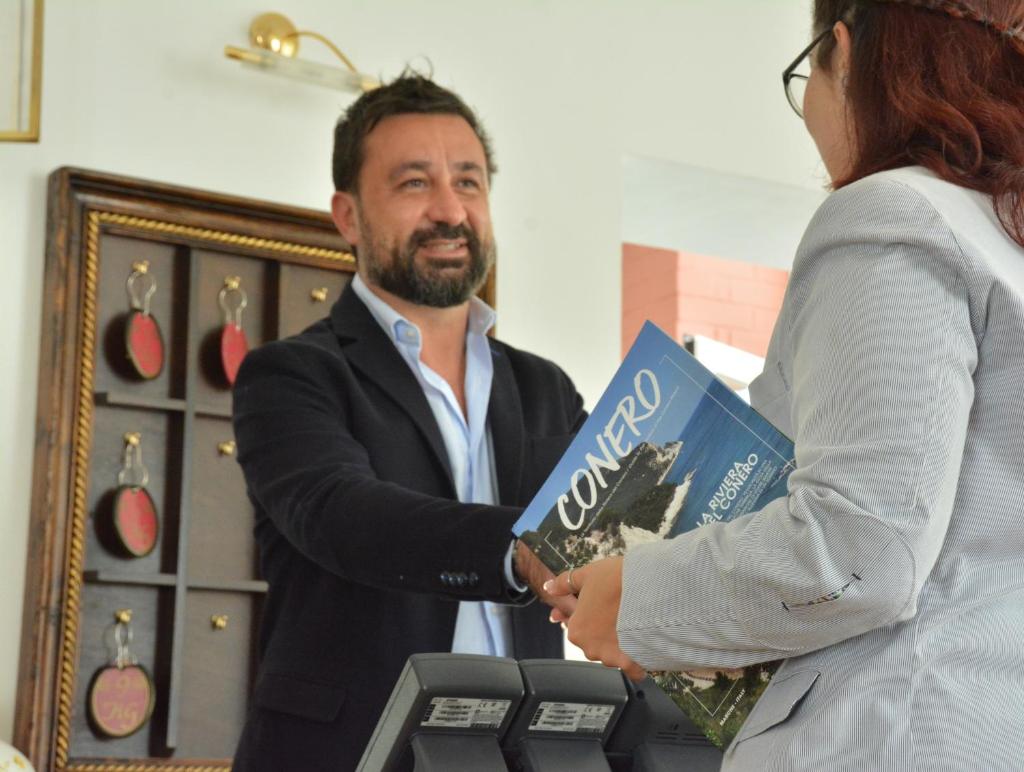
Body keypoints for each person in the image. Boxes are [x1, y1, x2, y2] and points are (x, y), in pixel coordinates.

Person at [546, 1, 1024, 769]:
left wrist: (637, 597)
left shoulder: (895, 214)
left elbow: (860, 554)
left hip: (893, 733)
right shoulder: (1003, 237)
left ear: (844, 51)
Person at [231, 75, 585, 771]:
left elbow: (607, 525)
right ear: (349, 216)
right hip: (345, 754)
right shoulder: (291, 375)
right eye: (415, 183)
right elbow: (343, 514)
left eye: (469, 182)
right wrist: (518, 549)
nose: (450, 211)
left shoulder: (545, 387)